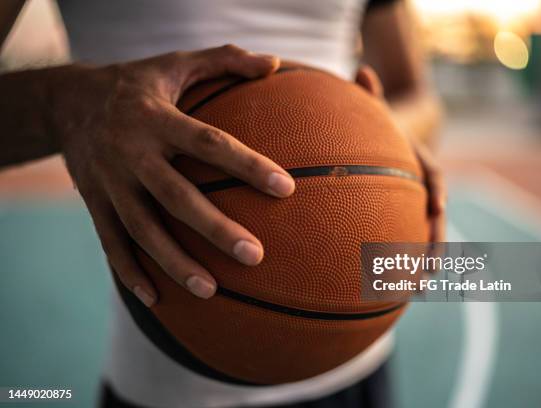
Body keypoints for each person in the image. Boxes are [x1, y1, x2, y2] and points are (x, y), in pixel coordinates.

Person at [0, 0, 445, 407]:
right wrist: (64, 103)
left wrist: (381, 148)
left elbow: (414, 92)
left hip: (358, 356)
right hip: (176, 381)